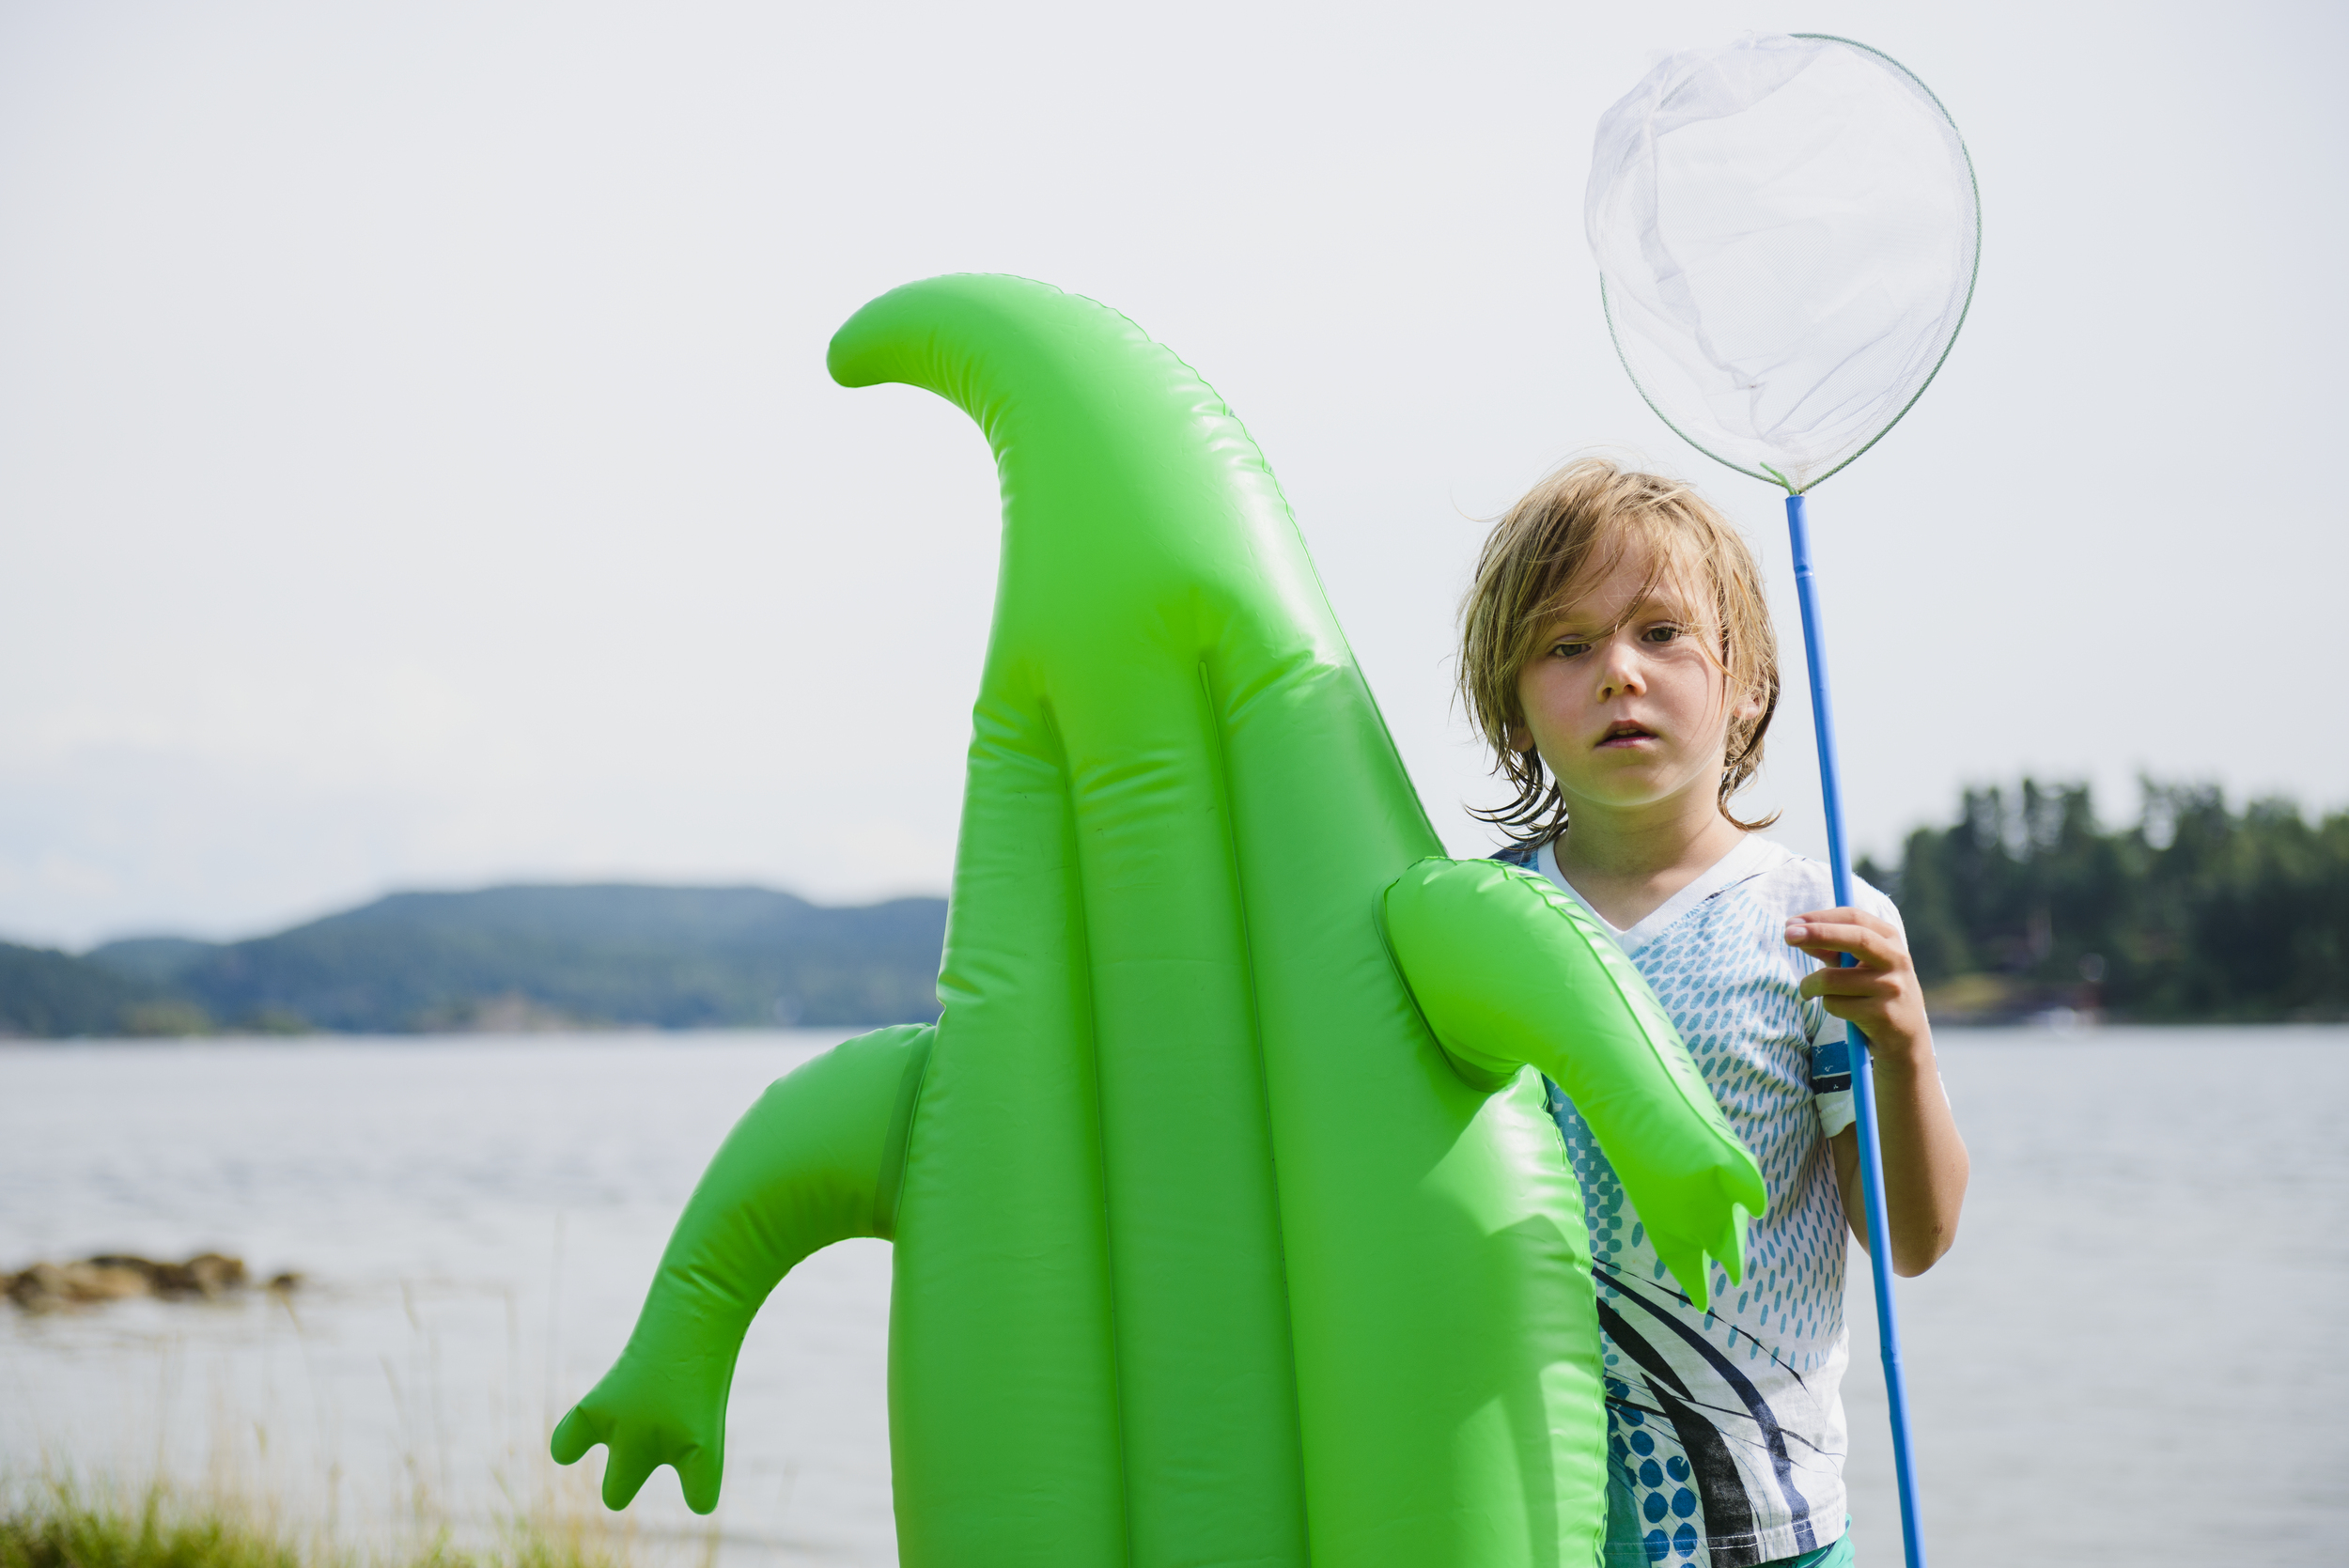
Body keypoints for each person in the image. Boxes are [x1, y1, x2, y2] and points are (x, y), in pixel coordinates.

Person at [1455, 458, 1968, 1568]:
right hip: (1523, 1518)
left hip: (1763, 1524)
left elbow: (1910, 1243)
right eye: (1567, 645)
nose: (1618, 674)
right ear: (1511, 700)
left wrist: (1903, 1044)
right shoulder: (1474, 924)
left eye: (1660, 632)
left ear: (1745, 683)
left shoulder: (1819, 922)